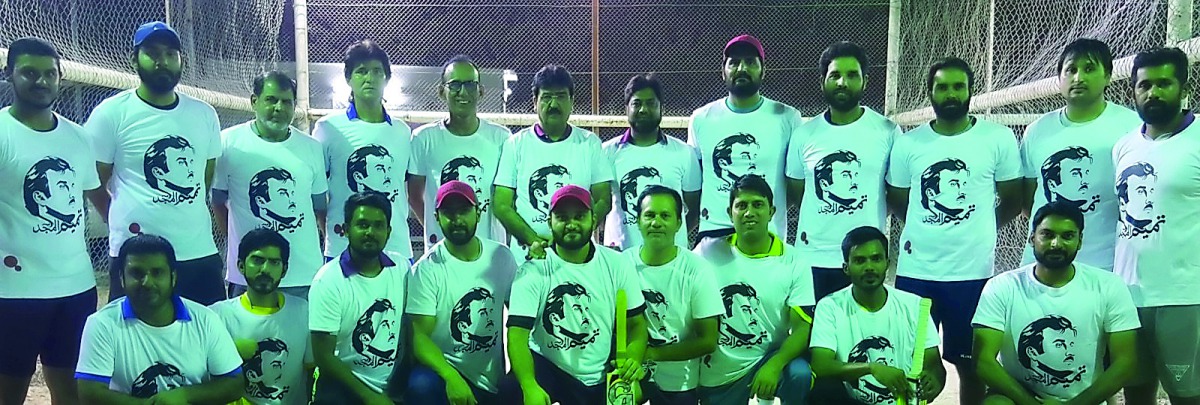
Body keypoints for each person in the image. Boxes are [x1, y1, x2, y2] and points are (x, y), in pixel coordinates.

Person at [885, 57, 1024, 405]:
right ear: (930, 92)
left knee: (972, 365)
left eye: (958, 86)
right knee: (912, 361)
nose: (950, 93)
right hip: (917, 275)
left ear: (970, 91)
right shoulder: (908, 144)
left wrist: (978, 230)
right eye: (942, 86)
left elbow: (1011, 199)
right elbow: (899, 200)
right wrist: (930, 227)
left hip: (972, 275)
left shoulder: (997, 138)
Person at [84, 21, 225, 304]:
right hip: (136, 255)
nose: (163, 61)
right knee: (135, 341)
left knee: (205, 338)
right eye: (153, 53)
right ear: (134, 58)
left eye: (171, 54)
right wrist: (117, 214)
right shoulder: (111, 114)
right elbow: (93, 181)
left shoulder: (204, 114)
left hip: (196, 251)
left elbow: (203, 178)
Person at [0, 36, 100, 405]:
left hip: (76, 290)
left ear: (60, 77)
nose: (41, 81)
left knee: (70, 392)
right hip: (14, 295)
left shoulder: (78, 137)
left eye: (49, 73)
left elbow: (88, 199)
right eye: (29, 73)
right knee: (9, 392)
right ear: (9, 74)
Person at [973, 201, 1140, 404]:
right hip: (1021, 399)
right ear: (1032, 238)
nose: (1056, 243)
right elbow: (983, 361)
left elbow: (1126, 362)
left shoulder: (1108, 285)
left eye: (1067, 236)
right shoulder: (1001, 286)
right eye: (1047, 234)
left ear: (1080, 241)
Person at [1112, 47, 1200, 405]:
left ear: (1183, 85)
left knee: (1186, 396)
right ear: (1132, 89)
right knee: (1136, 394)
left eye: (1164, 83)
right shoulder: (1123, 146)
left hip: (1183, 295)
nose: (1154, 93)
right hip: (1127, 295)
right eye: (1145, 85)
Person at [506, 185, 648, 405]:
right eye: (562, 217)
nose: (571, 224)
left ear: (593, 219)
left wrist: (632, 360)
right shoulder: (533, 270)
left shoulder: (617, 264)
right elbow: (516, 336)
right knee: (512, 391)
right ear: (549, 222)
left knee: (635, 394)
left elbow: (637, 325)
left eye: (579, 216)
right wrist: (529, 386)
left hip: (603, 370)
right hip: (551, 368)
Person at [785, 41, 901, 300]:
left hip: (864, 260)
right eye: (835, 75)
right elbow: (798, 192)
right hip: (813, 258)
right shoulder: (804, 135)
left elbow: (894, 195)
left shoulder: (887, 131)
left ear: (865, 81)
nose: (842, 82)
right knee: (812, 337)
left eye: (851, 75)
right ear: (822, 81)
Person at [75, 234, 245, 403]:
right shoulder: (102, 324)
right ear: (122, 278)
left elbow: (234, 384)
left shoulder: (205, 319)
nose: (147, 282)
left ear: (173, 277)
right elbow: (90, 393)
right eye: (136, 273)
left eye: (157, 273)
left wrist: (184, 395)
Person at [1019, 39, 1141, 271]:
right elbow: (1029, 200)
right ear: (1059, 78)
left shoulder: (1132, 127)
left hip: (1107, 265)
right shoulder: (1037, 131)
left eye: (1089, 68)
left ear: (1107, 75)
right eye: (1071, 70)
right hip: (1042, 265)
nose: (1078, 78)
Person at [693, 174, 814, 404]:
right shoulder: (707, 252)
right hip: (720, 373)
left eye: (758, 204)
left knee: (799, 374)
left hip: (766, 360)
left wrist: (775, 364)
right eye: (742, 206)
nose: (750, 212)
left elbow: (800, 330)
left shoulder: (794, 260)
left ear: (772, 212)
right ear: (730, 213)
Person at [213, 71, 327, 299]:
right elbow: (217, 202)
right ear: (254, 102)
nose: (278, 108)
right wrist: (242, 245)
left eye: (286, 102)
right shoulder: (228, 143)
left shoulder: (312, 148)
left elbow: (319, 208)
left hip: (303, 275)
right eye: (271, 100)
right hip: (248, 277)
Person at [405, 181, 519, 404]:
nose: (457, 219)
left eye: (464, 211)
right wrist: (451, 377)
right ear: (437, 217)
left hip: (489, 376)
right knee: (421, 386)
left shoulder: (501, 257)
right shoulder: (426, 269)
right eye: (448, 213)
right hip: (444, 370)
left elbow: (519, 320)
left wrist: (519, 370)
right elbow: (419, 337)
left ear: (478, 213)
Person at [810, 226, 946, 405]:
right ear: (846, 268)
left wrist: (933, 380)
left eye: (876, 259)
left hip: (902, 402)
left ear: (887, 263)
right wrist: (872, 368)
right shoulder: (830, 306)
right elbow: (821, 365)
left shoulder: (914, 306)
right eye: (860, 261)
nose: (869, 267)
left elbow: (934, 365)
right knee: (822, 391)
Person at [688, 34, 802, 241]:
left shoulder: (787, 117)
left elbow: (795, 185)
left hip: (766, 232)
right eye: (734, 63)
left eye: (750, 62)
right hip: (714, 234)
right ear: (723, 72)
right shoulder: (701, 118)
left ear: (763, 70)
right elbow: (695, 184)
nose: (742, 69)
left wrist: (761, 211)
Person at [493, 64, 612, 260]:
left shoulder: (589, 144)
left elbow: (603, 200)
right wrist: (532, 239)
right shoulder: (516, 145)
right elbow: (501, 204)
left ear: (572, 101)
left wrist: (576, 234)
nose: (553, 104)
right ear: (535, 102)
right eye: (547, 97)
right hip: (528, 257)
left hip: (577, 256)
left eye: (560, 97)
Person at [314, 39, 416, 263]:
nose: (369, 78)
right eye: (361, 72)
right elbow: (317, 193)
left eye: (376, 71)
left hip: (396, 248)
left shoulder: (402, 132)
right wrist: (333, 230)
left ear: (387, 78)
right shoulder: (327, 128)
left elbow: (408, 187)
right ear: (348, 79)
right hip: (343, 249)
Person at [309, 192, 409, 404]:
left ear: (389, 231)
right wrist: (370, 397)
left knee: (423, 386)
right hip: (345, 384)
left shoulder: (402, 269)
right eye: (362, 225)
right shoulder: (327, 281)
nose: (370, 232)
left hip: (395, 381)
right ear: (345, 230)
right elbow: (323, 356)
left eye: (378, 225)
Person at [624, 185, 721, 404]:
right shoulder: (622, 264)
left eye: (665, 216)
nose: (656, 222)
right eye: (649, 215)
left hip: (678, 380)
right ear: (638, 221)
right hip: (627, 372)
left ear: (678, 223)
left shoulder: (697, 269)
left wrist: (651, 354)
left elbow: (708, 340)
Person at [409, 55, 511, 250]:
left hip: (490, 254)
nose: (463, 92)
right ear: (441, 91)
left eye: (470, 85)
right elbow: (414, 196)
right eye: (455, 85)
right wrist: (436, 228)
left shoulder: (502, 138)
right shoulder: (423, 139)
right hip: (442, 254)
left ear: (481, 91)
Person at [210, 228, 315, 404]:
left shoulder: (304, 311)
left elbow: (312, 371)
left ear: (284, 270)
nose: (265, 269)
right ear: (241, 265)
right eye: (258, 260)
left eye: (274, 262)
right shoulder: (217, 316)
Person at [602, 74, 702, 249]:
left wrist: (671, 237)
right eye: (637, 103)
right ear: (626, 108)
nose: (643, 109)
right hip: (621, 260)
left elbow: (694, 209)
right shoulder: (607, 152)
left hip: (671, 259)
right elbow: (598, 205)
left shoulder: (684, 153)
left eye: (650, 103)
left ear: (661, 108)